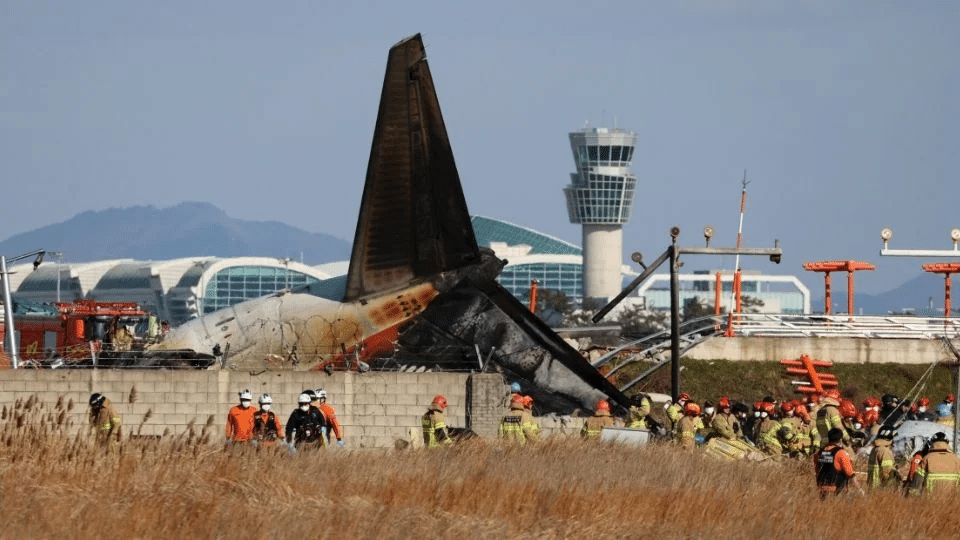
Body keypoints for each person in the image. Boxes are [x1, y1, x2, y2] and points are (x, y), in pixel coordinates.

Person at [815, 428, 862, 498]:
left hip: (822, 489)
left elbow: (817, 471)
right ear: (840, 440)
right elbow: (850, 473)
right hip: (836, 490)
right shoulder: (841, 453)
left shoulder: (820, 452)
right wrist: (860, 490)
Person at [867, 425, 899, 489]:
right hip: (881, 488)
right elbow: (887, 472)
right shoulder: (884, 451)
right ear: (888, 438)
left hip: (872, 488)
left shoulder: (875, 449)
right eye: (892, 438)